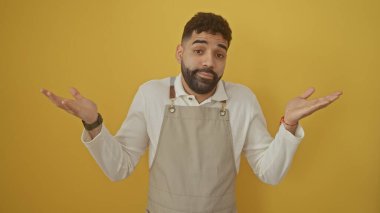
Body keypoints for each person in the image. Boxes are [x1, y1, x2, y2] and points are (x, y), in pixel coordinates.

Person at [41, 12, 342, 213]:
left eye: (219, 53)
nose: (209, 61)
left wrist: (288, 125)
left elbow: (270, 172)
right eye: (199, 50)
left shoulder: (243, 100)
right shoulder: (151, 94)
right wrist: (93, 122)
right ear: (180, 52)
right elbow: (119, 168)